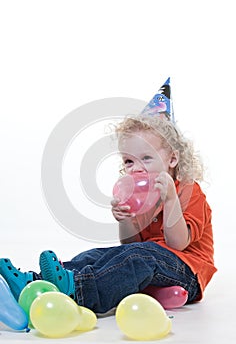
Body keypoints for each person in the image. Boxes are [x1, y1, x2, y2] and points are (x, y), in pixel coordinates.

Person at [0, 115, 217, 315]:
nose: (136, 168)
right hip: (150, 262)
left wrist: (170, 200)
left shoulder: (188, 191)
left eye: (146, 158)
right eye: (129, 161)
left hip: (187, 270)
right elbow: (129, 244)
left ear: (172, 159)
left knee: (138, 258)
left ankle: (76, 290)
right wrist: (126, 220)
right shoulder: (141, 196)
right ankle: (34, 283)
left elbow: (177, 244)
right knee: (99, 256)